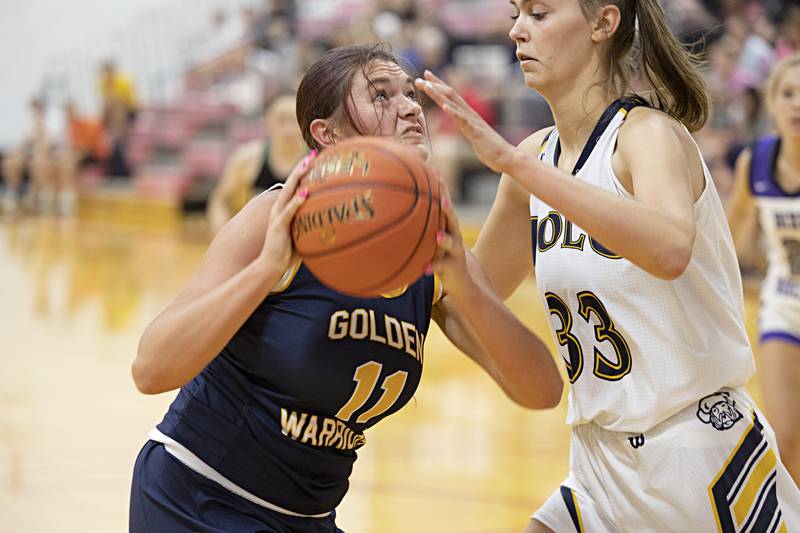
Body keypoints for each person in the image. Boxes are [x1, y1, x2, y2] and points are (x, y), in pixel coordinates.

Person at [129, 44, 562, 532]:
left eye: (410, 94)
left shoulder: (430, 244)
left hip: (308, 519)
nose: (408, 106)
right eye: (381, 96)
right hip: (199, 498)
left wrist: (466, 283)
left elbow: (541, 391)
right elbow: (150, 368)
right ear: (327, 134)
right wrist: (265, 270)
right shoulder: (278, 217)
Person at [416, 0, 800, 530]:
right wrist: (404, 244)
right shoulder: (533, 160)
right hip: (598, 460)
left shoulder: (645, 136)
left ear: (603, 22)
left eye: (539, 13)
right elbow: (464, 301)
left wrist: (514, 165)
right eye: (515, 14)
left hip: (695, 450)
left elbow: (668, 248)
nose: (517, 31)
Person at [728, 52, 800, 485]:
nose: (797, 104)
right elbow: (731, 235)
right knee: (785, 440)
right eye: (788, 94)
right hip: (785, 305)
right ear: (771, 103)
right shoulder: (754, 163)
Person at [207, 92, 307, 236]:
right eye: (281, 120)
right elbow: (220, 200)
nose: (288, 129)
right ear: (268, 121)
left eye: (293, 120)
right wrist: (222, 237)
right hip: (257, 243)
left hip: (302, 243)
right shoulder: (246, 158)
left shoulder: (316, 160)